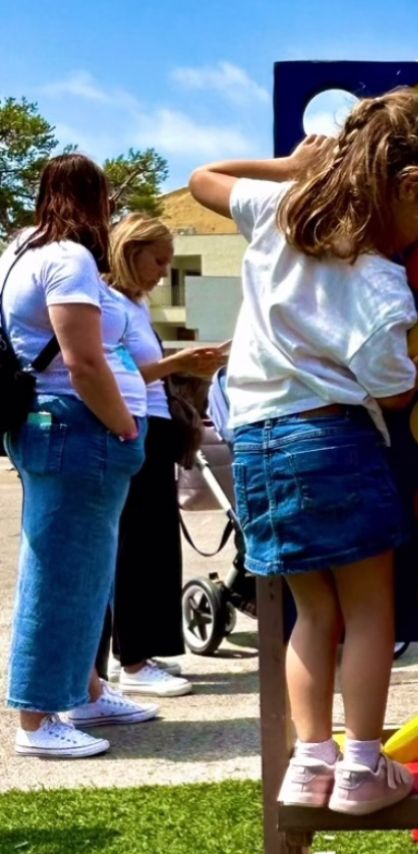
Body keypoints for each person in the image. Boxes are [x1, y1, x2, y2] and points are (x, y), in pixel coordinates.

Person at [188, 90, 418, 813]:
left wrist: (287, 168)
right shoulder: (380, 279)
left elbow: (202, 178)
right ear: (405, 187)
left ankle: (310, 762)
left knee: (309, 614)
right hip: (332, 439)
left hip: (255, 441)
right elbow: (389, 389)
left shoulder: (276, 212)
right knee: (371, 609)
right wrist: (413, 378)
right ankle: (361, 768)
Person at [1, 155, 149, 758]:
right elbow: (84, 362)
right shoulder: (70, 258)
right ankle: (35, 717)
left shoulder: (18, 251)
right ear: (98, 201)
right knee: (63, 573)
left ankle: (84, 691)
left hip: (53, 426)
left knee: (83, 569)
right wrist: (124, 429)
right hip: (79, 427)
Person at [95, 214, 228, 697]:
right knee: (136, 546)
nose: (163, 270)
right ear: (132, 253)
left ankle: (141, 653)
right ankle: (132, 659)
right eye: (159, 259)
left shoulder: (132, 305)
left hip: (152, 427)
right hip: (134, 429)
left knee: (153, 545)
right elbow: (119, 370)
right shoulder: (108, 303)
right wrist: (179, 363)